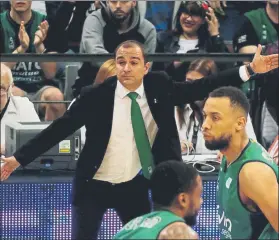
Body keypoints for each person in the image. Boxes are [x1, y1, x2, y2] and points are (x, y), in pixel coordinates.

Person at [1, 40, 278, 240]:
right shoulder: (96, 95)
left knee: (147, 235)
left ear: (145, 67)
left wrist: (249, 70)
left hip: (133, 184)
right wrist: (17, 159)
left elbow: (201, 86)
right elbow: (59, 128)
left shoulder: (159, 85)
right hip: (93, 184)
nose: (126, 68)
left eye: (133, 62)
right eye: (121, 62)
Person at [202, 86, 278, 239]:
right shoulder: (228, 154)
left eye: (215, 118)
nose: (205, 125)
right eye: (205, 116)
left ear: (240, 123)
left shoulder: (253, 172)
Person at [73, 0, 157, 97]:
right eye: (113, 1)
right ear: (107, 2)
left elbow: (146, 66)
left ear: (134, 2)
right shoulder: (94, 20)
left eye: (124, 1)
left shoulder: (147, 29)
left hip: (132, 90)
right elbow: (95, 55)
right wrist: (127, 68)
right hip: (90, 85)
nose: (118, 6)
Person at [0, 0, 66, 121]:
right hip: (12, 86)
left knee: (56, 97)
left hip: (41, 89)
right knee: (8, 95)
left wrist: (39, 46)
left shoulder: (46, 22)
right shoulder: (1, 23)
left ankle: (51, 139)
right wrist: (21, 49)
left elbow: (50, 73)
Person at [175, 58, 256, 155]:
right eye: (189, 81)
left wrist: (230, 153)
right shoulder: (178, 108)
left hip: (219, 167)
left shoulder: (233, 108)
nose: (193, 88)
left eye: (198, 84)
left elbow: (251, 148)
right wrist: (175, 148)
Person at [113, 160, 201, 239]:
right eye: (199, 195)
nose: (201, 201)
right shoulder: (178, 232)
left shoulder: (129, 228)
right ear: (183, 200)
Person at [0, 63, 40, 155]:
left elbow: (36, 141)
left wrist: (7, 148)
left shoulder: (23, 105)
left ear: (11, 88)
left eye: (1, 88)